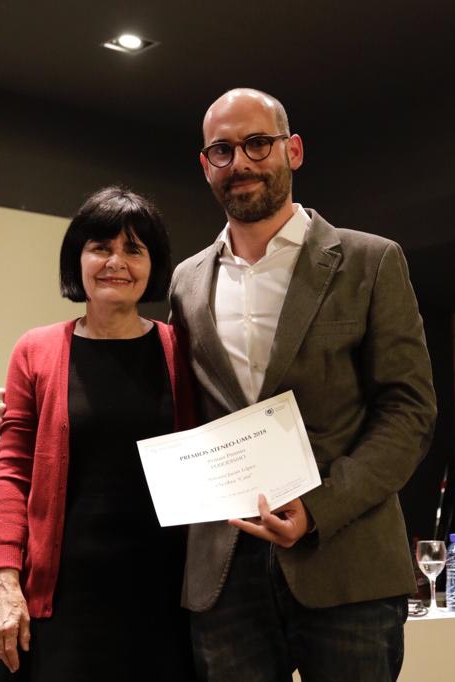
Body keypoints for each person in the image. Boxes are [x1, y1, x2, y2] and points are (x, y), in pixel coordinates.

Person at [166, 88, 437, 681]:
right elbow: (180, 409)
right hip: (225, 575)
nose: (240, 162)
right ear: (204, 164)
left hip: (347, 564)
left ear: (293, 150)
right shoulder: (186, 282)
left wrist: (317, 509)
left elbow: (409, 411)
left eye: (257, 143)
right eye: (222, 149)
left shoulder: (371, 261)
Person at [0, 186, 196, 681]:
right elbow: (12, 473)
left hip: (165, 597)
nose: (115, 262)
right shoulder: (35, 350)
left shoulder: (184, 350)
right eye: (101, 247)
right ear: (77, 257)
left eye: (133, 249)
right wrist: (3, 579)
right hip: (65, 602)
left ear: (153, 264)